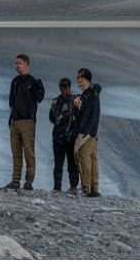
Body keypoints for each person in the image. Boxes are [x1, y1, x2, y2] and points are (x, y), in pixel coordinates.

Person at [5, 53, 45, 191]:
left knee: (29, 152)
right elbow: (11, 102)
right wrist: (11, 120)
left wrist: (40, 87)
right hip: (15, 121)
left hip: (28, 121)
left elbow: (40, 98)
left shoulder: (33, 82)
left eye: (19, 63)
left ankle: (28, 183)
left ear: (27, 64)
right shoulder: (15, 81)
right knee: (16, 153)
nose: (17, 66)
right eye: (16, 63)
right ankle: (15, 181)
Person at [73, 68, 103, 198]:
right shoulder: (90, 94)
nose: (79, 82)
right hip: (91, 132)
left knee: (82, 156)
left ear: (87, 79)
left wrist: (85, 132)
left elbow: (91, 115)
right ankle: (93, 189)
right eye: (78, 79)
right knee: (92, 158)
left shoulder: (91, 95)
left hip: (87, 132)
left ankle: (86, 187)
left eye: (81, 79)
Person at [48, 77, 80, 195]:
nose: (64, 89)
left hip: (72, 138)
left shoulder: (76, 100)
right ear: (60, 87)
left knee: (72, 164)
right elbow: (51, 118)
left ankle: (73, 187)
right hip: (58, 138)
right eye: (62, 86)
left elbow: (80, 117)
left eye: (66, 86)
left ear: (70, 87)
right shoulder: (56, 101)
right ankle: (57, 187)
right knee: (58, 164)